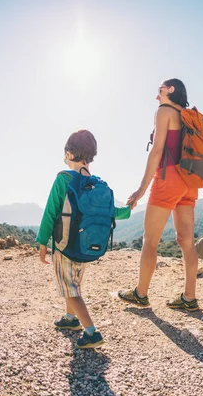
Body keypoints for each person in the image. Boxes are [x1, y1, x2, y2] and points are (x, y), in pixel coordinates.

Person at [36, 129, 131, 348]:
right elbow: (111, 212)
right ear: (92, 156)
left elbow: (51, 212)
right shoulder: (97, 184)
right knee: (74, 284)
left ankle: (91, 332)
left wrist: (42, 242)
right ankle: (70, 319)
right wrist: (128, 209)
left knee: (70, 289)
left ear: (69, 154)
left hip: (64, 246)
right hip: (85, 246)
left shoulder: (64, 179)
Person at [118, 78, 200, 312]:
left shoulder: (164, 111)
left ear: (170, 90)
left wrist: (141, 190)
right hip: (189, 180)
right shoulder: (186, 114)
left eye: (160, 90)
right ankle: (189, 297)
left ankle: (141, 294)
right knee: (187, 240)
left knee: (150, 241)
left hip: (169, 178)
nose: (157, 96)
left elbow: (157, 151)